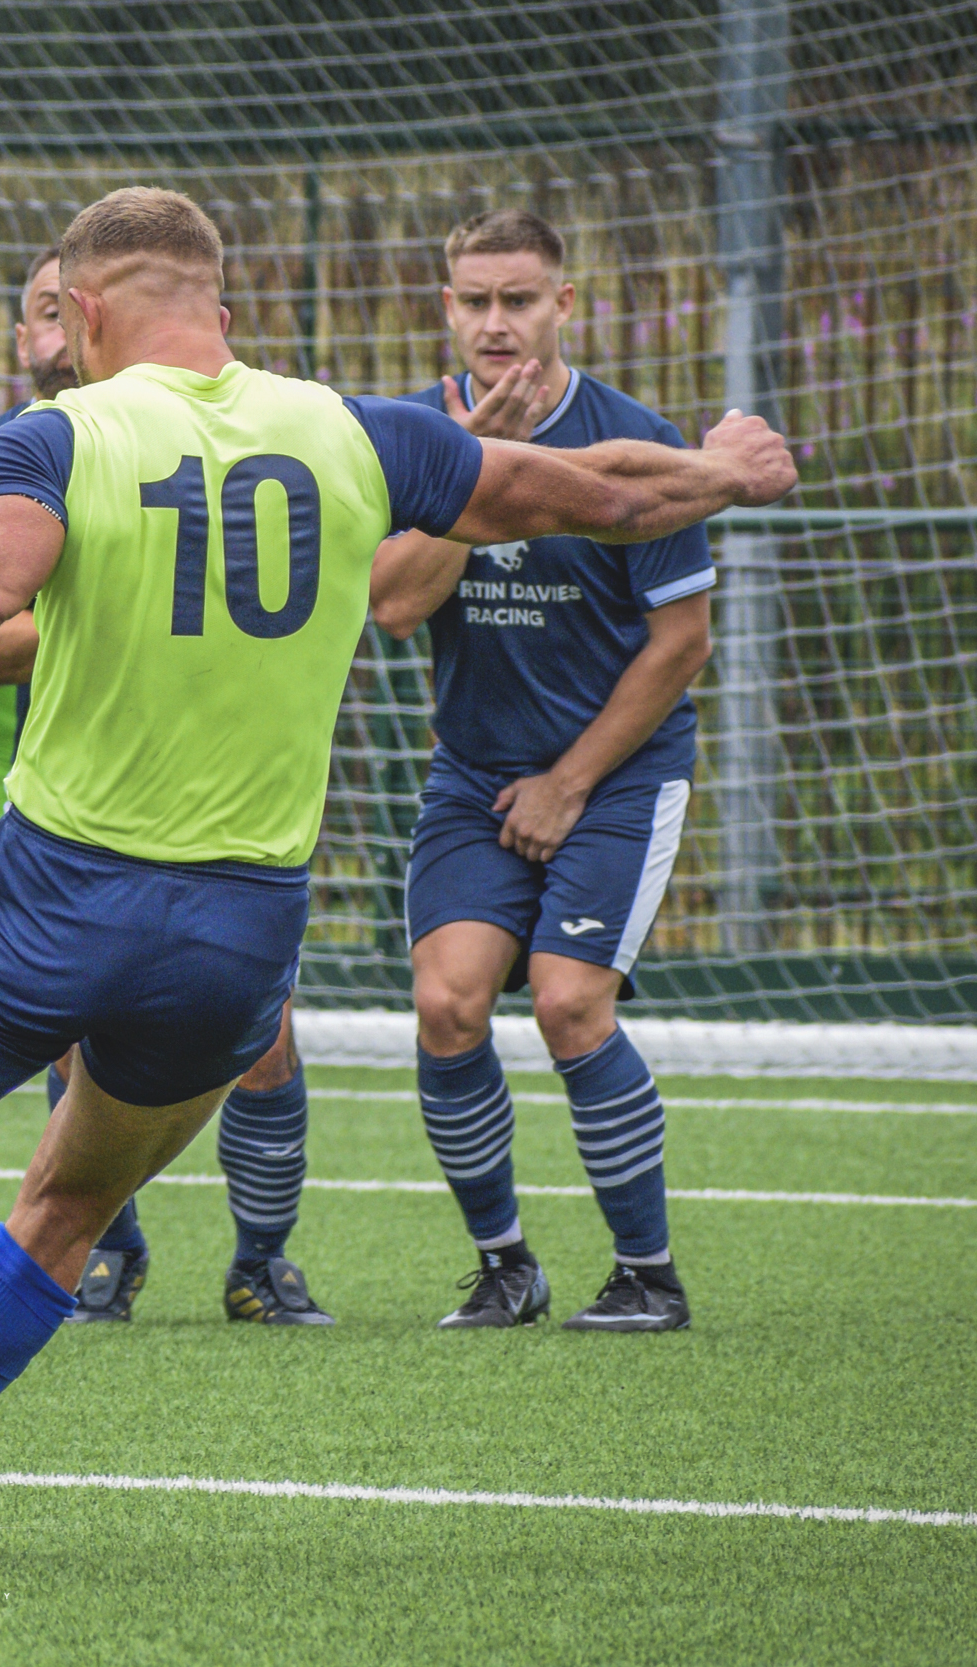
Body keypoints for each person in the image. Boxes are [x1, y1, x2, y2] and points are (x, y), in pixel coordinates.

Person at [0, 186, 794, 1556]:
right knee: (60, 1211)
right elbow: (593, 494)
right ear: (220, 304)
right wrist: (721, 471)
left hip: (48, 891)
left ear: (90, 311)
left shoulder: (46, 440)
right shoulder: (357, 430)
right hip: (236, 934)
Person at [0, 246, 326, 1326]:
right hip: (22, 787)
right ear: (27, 339)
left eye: (75, 310)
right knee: (63, 1022)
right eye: (40, 315)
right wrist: (93, 609)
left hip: (206, 793)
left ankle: (264, 1261)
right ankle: (105, 1249)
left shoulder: (230, 443)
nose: (61, 332)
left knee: (261, 1027)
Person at [373, 209, 721, 1332]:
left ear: (564, 304)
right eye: (472, 299)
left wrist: (570, 782)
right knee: (446, 1003)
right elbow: (391, 603)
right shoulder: (414, 433)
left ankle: (647, 1275)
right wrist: (478, 468)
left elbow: (683, 642)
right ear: (445, 307)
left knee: (571, 1005)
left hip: (615, 776)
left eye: (516, 298)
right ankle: (504, 1266)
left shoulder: (638, 438)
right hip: (476, 773)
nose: (494, 321)